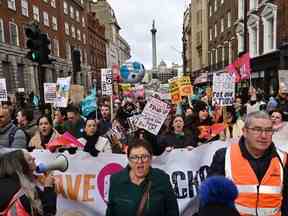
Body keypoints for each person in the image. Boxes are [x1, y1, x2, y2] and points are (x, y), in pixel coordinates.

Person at [209, 111, 288, 215]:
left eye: (268, 130)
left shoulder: (283, 159)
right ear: (244, 131)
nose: (264, 135)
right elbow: (211, 202)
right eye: (257, 129)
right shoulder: (224, 156)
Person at [106, 138, 179, 216]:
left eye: (144, 157)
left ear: (151, 158)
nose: (139, 162)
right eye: (134, 157)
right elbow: (111, 212)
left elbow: (173, 211)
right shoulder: (116, 179)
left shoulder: (161, 178)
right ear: (128, 159)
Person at [0, 149, 57, 215]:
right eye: (29, 159)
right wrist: (48, 188)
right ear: (22, 167)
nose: (34, 158)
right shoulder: (25, 192)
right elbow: (48, 212)